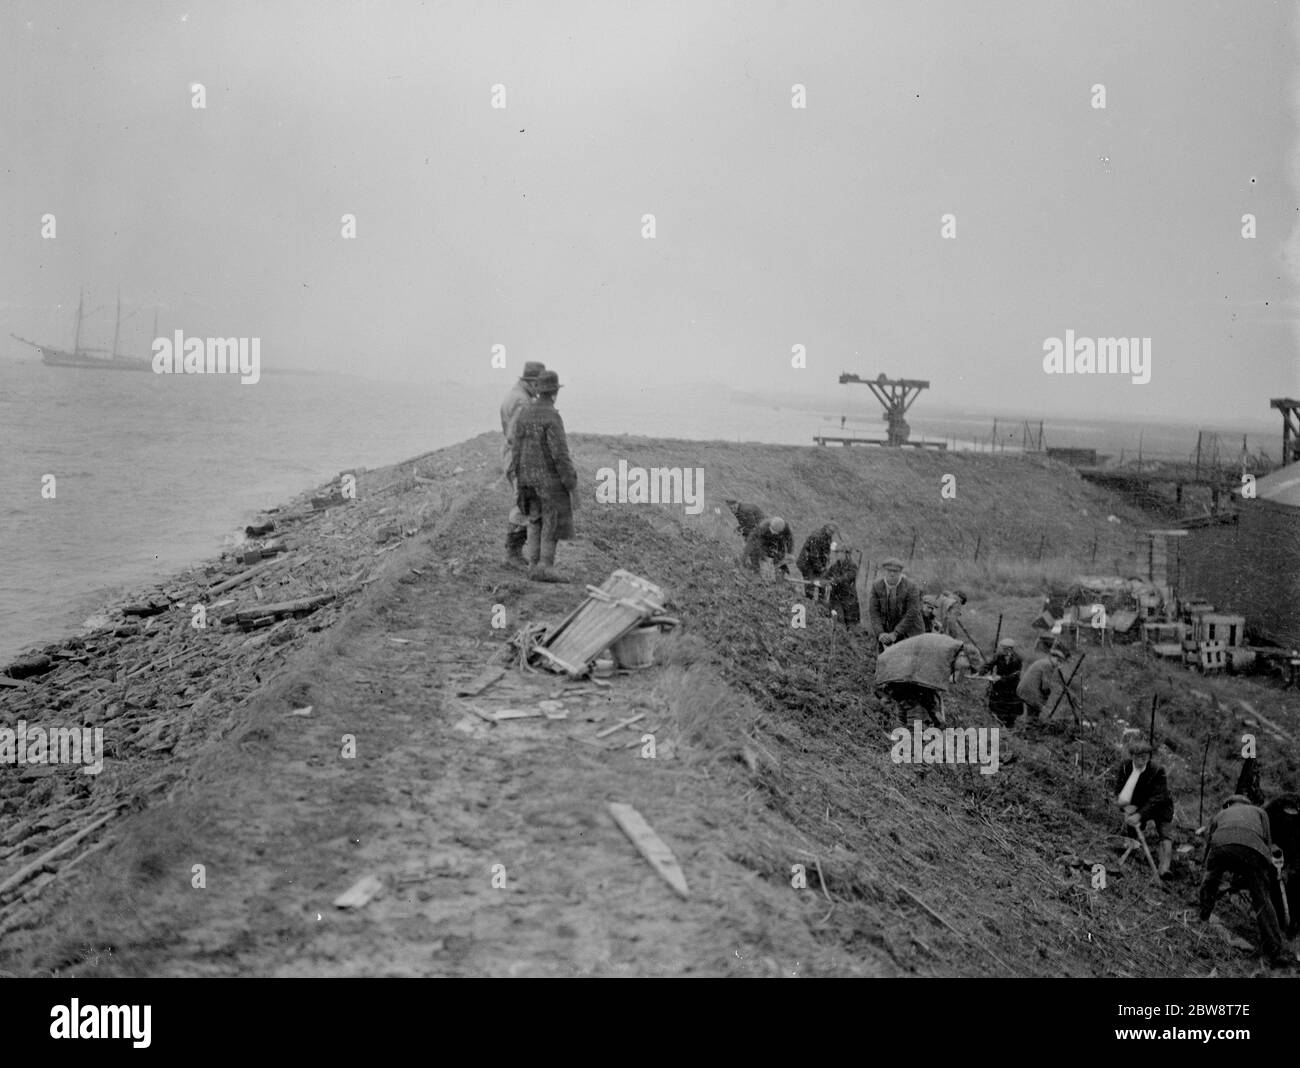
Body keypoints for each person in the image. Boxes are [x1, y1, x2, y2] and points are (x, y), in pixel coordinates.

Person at [1199, 795, 1295, 967]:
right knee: (1263, 899)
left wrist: (1207, 867)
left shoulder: (1221, 814)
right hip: (1253, 850)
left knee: (1210, 882)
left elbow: (1209, 844)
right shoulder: (1260, 812)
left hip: (1222, 846)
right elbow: (1267, 841)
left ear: (1228, 804)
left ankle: (1203, 916)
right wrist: (1263, 874)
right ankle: (1275, 951)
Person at [508, 370, 577, 583]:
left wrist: (518, 478)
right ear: (555, 392)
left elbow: (516, 450)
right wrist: (571, 485)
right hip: (549, 482)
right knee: (552, 521)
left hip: (528, 480)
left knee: (534, 519)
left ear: (538, 391)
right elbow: (560, 456)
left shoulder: (525, 413)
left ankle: (532, 564)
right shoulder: (552, 416)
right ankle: (545, 566)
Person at [499, 361, 546, 566]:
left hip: (515, 456)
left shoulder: (516, 395)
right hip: (519, 458)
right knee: (525, 503)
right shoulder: (522, 401)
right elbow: (515, 436)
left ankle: (514, 552)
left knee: (525, 502)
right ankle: (513, 553)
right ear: (533, 382)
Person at [873, 632, 970, 727]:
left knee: (906, 707)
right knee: (914, 709)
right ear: (963, 656)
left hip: (902, 671)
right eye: (967, 667)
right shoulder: (944, 655)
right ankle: (912, 739)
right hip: (897, 671)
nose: (964, 670)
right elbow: (928, 692)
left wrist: (937, 718)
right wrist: (936, 716)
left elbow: (927, 693)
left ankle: (900, 736)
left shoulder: (949, 651)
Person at [1112, 738, 1175, 878]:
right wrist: (1125, 806)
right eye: (1138, 756)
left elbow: (1158, 797)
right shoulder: (1125, 766)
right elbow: (1118, 788)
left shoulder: (1157, 770)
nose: (1142, 759)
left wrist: (1140, 815)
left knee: (1165, 833)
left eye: (1145, 756)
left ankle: (1164, 868)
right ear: (1132, 756)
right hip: (1138, 803)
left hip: (1161, 806)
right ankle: (1133, 855)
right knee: (1132, 831)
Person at [868, 557, 924, 651]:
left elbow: (912, 612)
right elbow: (874, 612)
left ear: (901, 573)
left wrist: (896, 633)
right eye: (889, 571)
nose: (892, 574)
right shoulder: (877, 586)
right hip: (888, 630)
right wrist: (880, 633)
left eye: (895, 571)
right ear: (884, 571)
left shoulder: (911, 587)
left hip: (910, 630)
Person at [1016, 645, 1068, 721]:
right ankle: (1029, 729)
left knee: (1033, 713)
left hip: (1025, 689)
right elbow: (1045, 686)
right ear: (1053, 658)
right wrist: (1045, 699)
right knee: (1034, 715)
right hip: (1030, 691)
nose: (1058, 664)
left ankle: (1028, 727)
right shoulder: (1048, 665)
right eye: (1058, 661)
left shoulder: (1044, 662)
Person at [986, 638, 1023, 727]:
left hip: (1011, 687)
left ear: (1010, 649)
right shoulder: (999, 656)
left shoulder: (1017, 659)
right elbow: (989, 664)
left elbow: (1015, 675)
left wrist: (1001, 678)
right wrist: (980, 672)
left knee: (1010, 709)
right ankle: (998, 723)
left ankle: (1009, 726)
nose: (1002, 650)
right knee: (997, 706)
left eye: (1004, 648)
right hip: (999, 686)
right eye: (1002, 648)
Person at [796, 524, 839, 600]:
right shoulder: (816, 537)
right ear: (826, 529)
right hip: (807, 563)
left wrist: (825, 563)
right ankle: (809, 600)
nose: (832, 534)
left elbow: (825, 551)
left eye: (833, 532)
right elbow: (814, 555)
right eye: (831, 531)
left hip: (817, 563)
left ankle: (821, 601)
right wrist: (820, 568)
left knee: (822, 581)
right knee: (810, 583)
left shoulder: (827, 537)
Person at [823, 543, 861, 628]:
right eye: (836, 553)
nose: (837, 555)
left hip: (849, 598)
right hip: (836, 598)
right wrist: (823, 581)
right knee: (838, 621)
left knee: (851, 624)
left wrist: (835, 580)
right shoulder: (834, 566)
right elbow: (826, 577)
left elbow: (847, 577)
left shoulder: (852, 566)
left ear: (845, 554)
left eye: (839, 552)